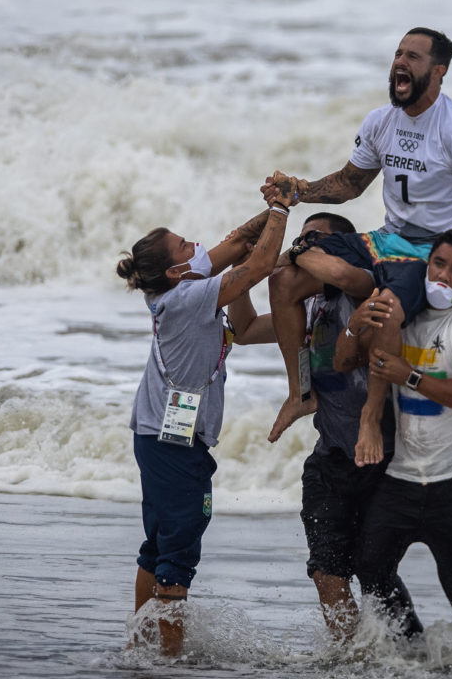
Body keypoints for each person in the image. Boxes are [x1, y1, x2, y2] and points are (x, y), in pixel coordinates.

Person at [259, 27, 452, 464]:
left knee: (386, 310)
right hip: (384, 239)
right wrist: (298, 191)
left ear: (438, 70)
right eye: (397, 54)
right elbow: (349, 184)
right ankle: (300, 392)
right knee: (284, 277)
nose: (400, 62)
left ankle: (371, 417)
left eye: (413, 56)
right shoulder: (380, 121)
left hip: (430, 252)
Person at [116, 183, 299, 656]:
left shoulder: (172, 286)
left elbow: (238, 245)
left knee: (157, 544)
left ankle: (140, 644)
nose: (197, 245)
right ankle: (171, 659)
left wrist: (276, 201)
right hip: (172, 442)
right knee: (179, 550)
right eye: (186, 245)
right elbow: (256, 266)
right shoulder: (189, 297)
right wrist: (280, 210)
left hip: (155, 433)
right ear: (178, 269)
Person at [229, 212, 422, 641]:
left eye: (315, 240)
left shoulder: (372, 290)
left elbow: (347, 278)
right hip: (332, 455)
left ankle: (412, 653)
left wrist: (295, 252)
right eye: (301, 240)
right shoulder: (305, 307)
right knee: (326, 571)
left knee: (376, 574)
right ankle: (351, 655)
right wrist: (241, 269)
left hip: (381, 456)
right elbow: (242, 330)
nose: (304, 249)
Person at [334, 227, 452, 645]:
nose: (443, 277)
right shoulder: (401, 309)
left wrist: (408, 375)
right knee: (370, 568)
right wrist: (356, 326)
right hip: (404, 476)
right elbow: (344, 360)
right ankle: (413, 648)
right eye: (438, 264)